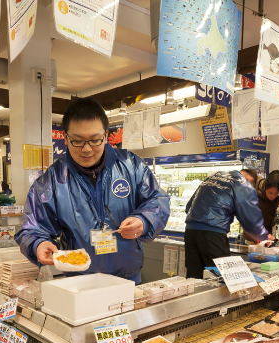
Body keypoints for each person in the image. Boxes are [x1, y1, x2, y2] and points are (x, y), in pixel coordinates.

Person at [15, 97, 169, 282]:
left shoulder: (130, 165)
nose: (87, 149)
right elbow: (31, 228)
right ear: (65, 138)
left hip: (128, 279)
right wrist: (38, 244)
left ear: (105, 136)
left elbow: (158, 199)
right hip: (79, 281)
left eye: (95, 140)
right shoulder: (52, 180)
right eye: (77, 141)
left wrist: (143, 220)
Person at [184, 170, 269, 279]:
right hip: (213, 234)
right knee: (223, 276)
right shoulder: (241, 182)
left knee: (194, 276)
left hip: (191, 231)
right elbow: (250, 217)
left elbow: (188, 207)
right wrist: (263, 236)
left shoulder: (213, 178)